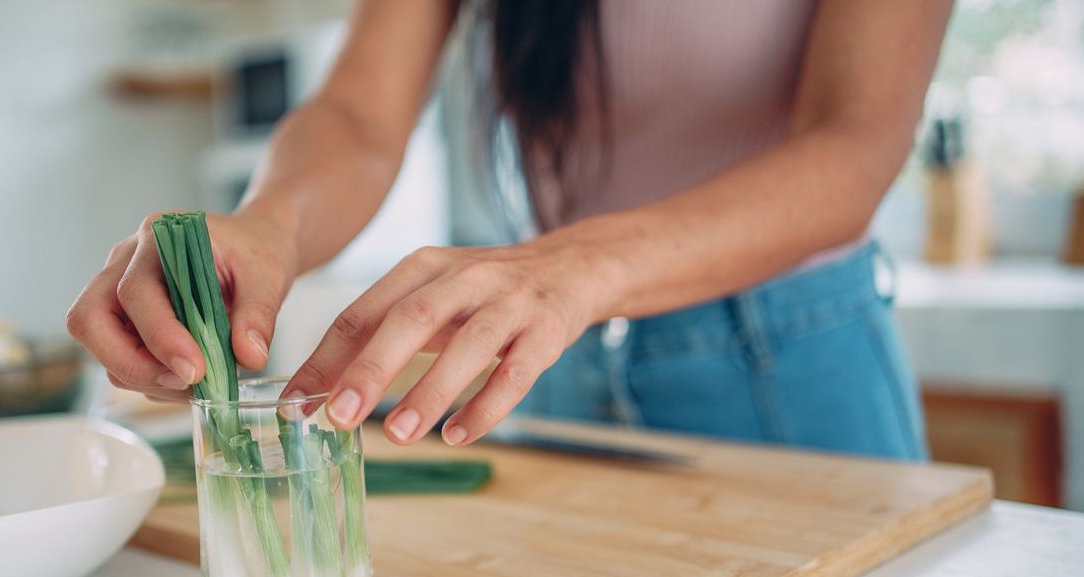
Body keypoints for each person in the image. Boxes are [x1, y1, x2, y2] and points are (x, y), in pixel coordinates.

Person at [67, 0, 953, 460]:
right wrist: (269, 222)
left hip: (791, 357)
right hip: (555, 360)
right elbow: (361, 115)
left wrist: (569, 265)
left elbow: (857, 145)